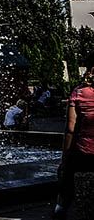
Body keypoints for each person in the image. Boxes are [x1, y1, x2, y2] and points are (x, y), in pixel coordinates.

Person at [55, 63, 94, 219]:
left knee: (68, 171)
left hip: (86, 153)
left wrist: (64, 158)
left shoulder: (79, 93)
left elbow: (70, 128)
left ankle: (61, 208)